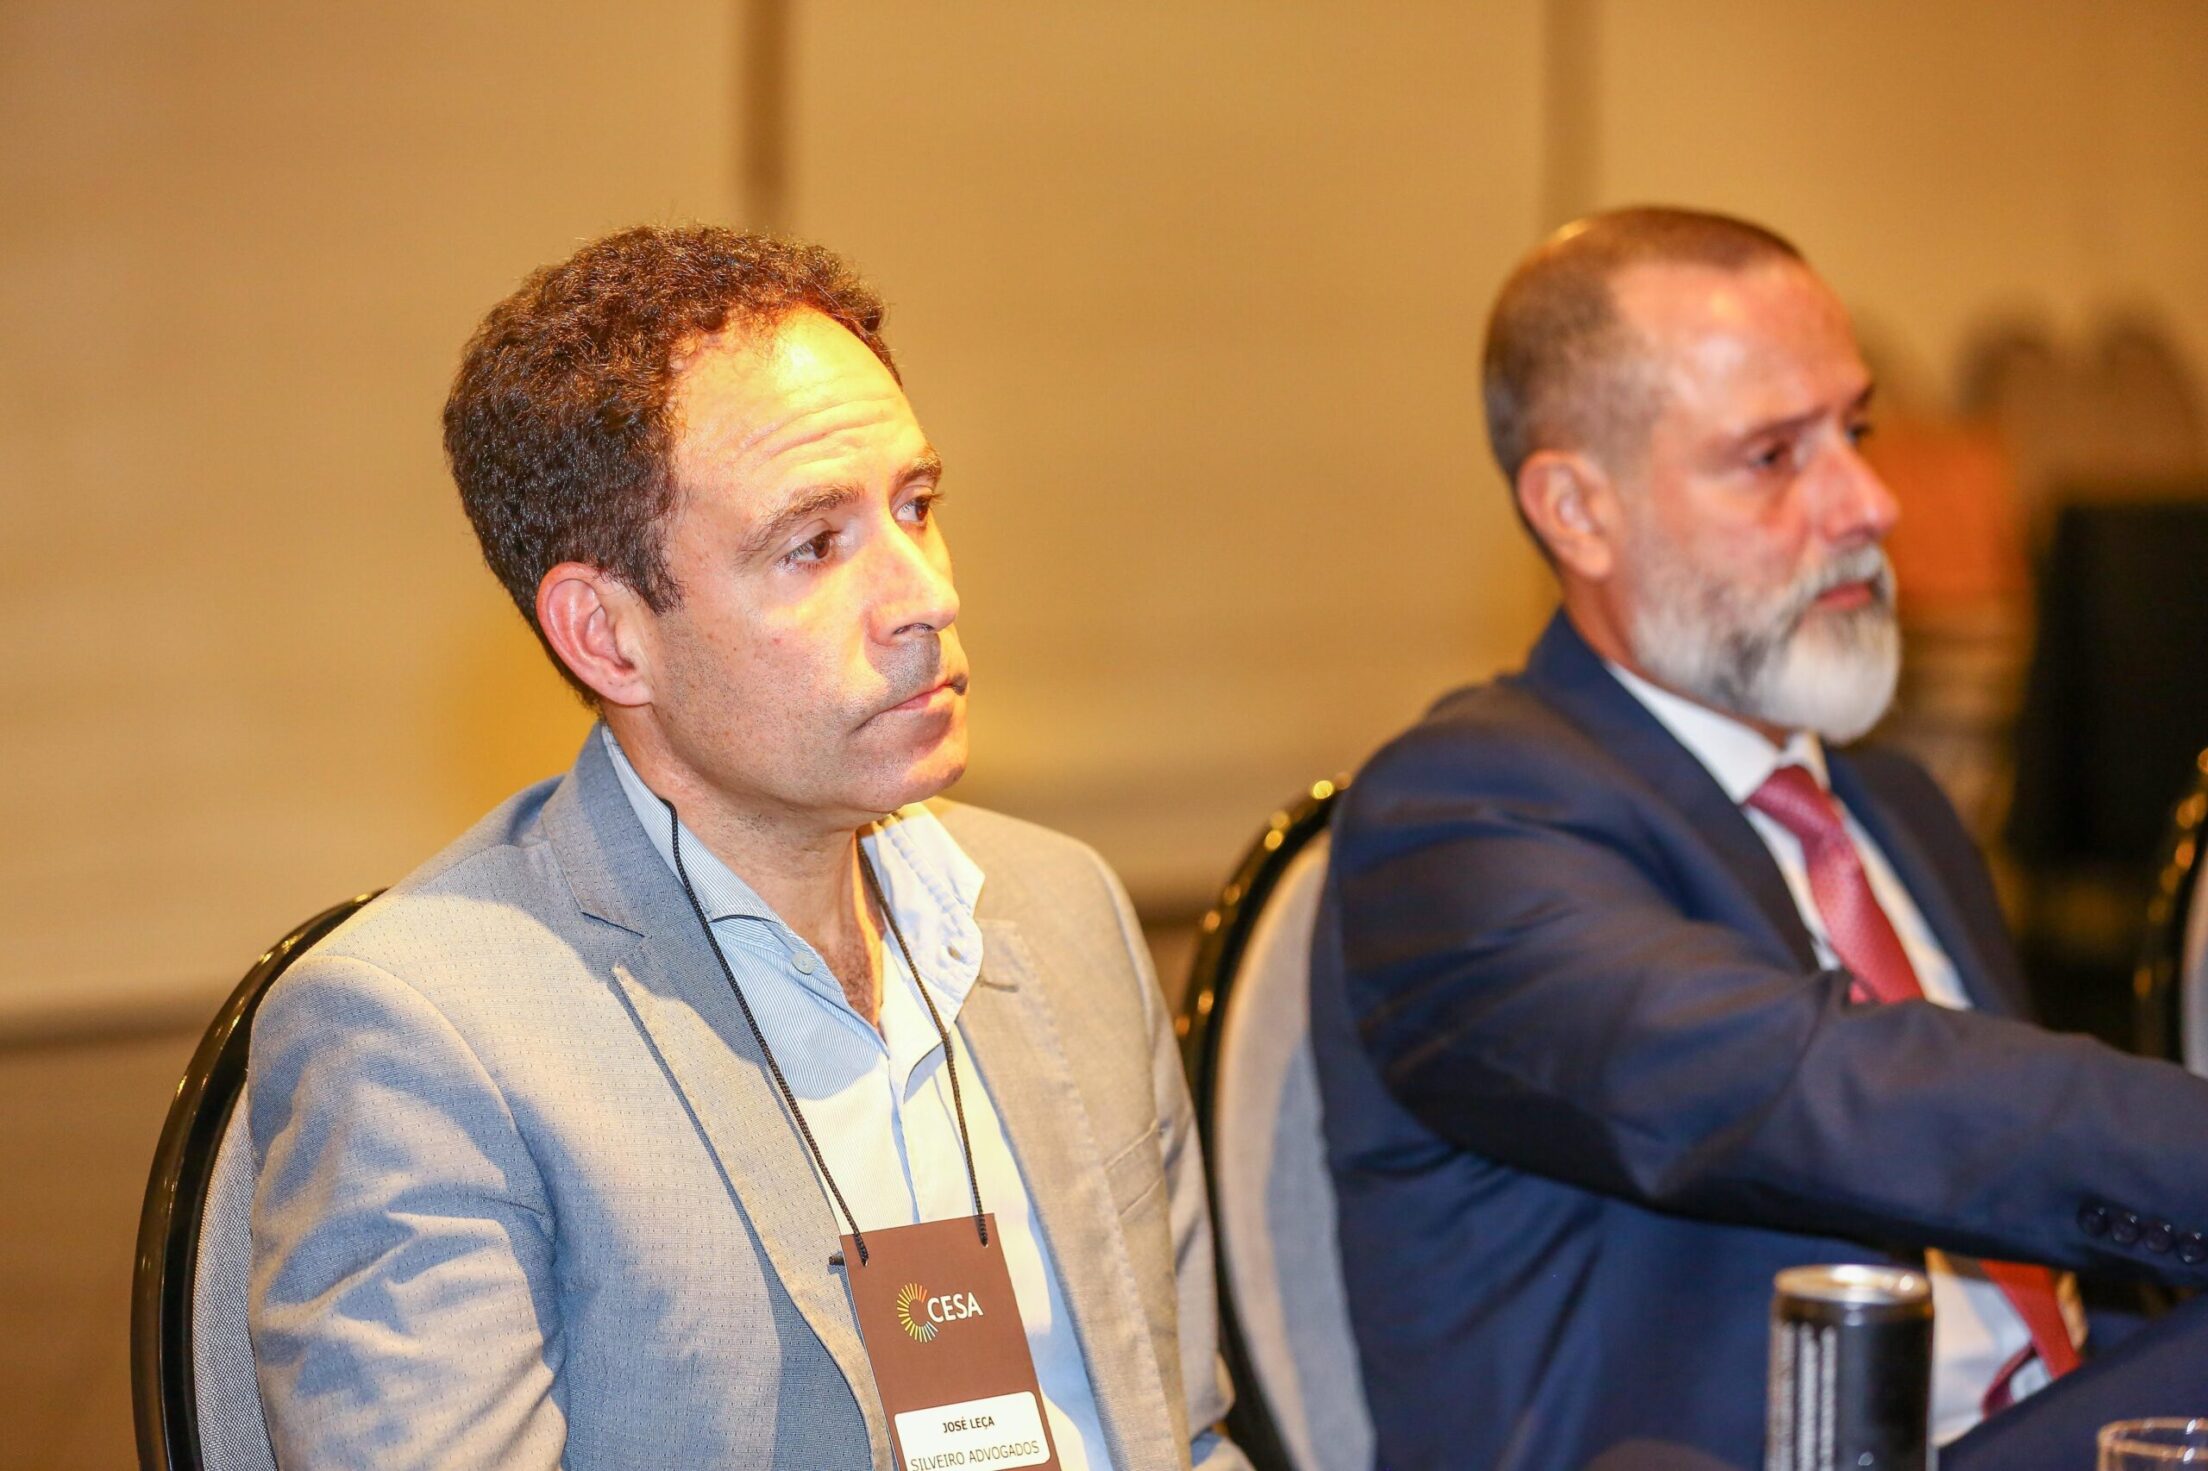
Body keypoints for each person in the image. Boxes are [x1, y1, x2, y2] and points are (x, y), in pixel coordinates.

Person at [247, 226, 1245, 1471]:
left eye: (917, 508)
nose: (926, 597)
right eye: (813, 546)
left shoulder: (1059, 909)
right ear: (608, 637)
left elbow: (1184, 1435)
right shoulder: (425, 1038)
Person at [1310, 206, 2208, 1471]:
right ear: (1577, 508)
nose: (1870, 502)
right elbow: (1831, 1091)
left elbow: (2063, 1237)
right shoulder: (1459, 816)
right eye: (1774, 456)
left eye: (1857, 432)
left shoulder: (1893, 803)